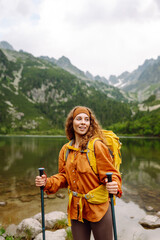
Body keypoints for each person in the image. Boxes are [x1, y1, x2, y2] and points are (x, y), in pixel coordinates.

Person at [35, 106, 122, 240]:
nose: (83, 122)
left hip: (99, 208)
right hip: (76, 209)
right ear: (72, 122)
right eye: (79, 118)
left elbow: (112, 173)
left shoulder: (97, 146)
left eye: (87, 119)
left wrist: (114, 184)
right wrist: (47, 182)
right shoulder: (66, 149)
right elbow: (64, 176)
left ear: (90, 124)